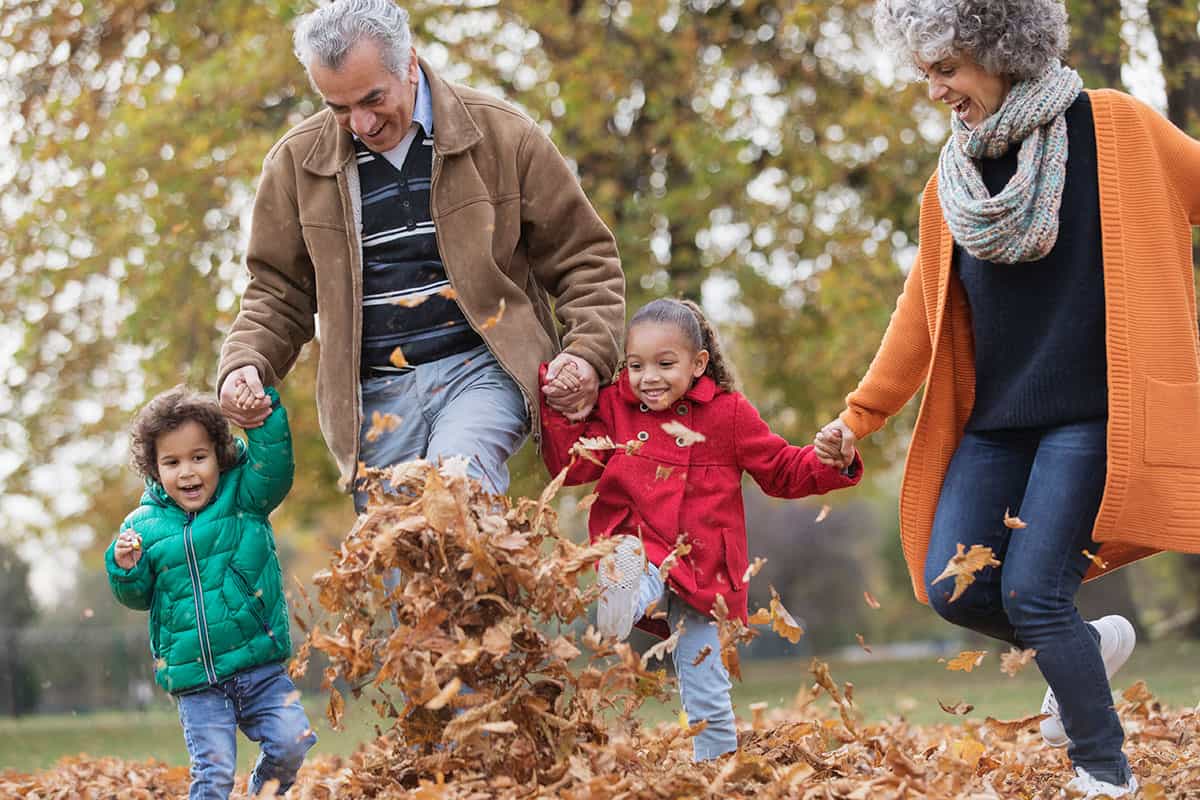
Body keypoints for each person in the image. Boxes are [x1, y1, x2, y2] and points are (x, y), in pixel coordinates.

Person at [814, 1, 1200, 796]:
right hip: (997, 426)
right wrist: (859, 416)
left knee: (1032, 592)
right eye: (925, 74)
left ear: (1002, 47)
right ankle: (1084, 650)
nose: (935, 91)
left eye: (947, 69)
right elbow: (916, 318)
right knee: (956, 587)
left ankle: (1104, 771)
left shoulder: (1119, 128)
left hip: (1094, 418)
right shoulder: (950, 185)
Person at [217, 0, 624, 506]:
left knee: (456, 493)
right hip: (375, 398)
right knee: (397, 562)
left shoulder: (502, 133)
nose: (361, 123)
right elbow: (278, 292)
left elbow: (583, 256)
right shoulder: (295, 165)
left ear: (408, 63)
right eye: (338, 108)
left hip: (479, 370)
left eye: (372, 99)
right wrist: (246, 361)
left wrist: (588, 351)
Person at [540, 298, 863, 761]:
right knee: (636, 566)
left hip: (705, 570)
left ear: (698, 363)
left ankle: (716, 770)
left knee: (706, 680)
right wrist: (562, 412)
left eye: (665, 364)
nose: (648, 377)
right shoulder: (616, 407)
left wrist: (832, 460)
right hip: (638, 543)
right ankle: (621, 594)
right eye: (635, 365)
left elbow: (781, 470)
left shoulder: (729, 415)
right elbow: (574, 466)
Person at [105, 384, 315, 798]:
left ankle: (263, 792)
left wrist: (263, 413)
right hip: (195, 678)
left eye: (198, 457)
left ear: (219, 455)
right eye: (172, 462)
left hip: (259, 665)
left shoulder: (243, 496)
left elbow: (275, 465)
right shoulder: (142, 526)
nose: (187, 472)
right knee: (214, 774)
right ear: (154, 469)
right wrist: (125, 568)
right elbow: (136, 596)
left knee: (292, 742)